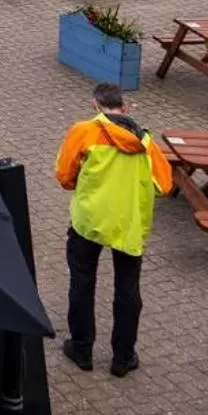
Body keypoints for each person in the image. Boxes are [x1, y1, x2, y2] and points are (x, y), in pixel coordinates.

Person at [53, 82, 171, 377]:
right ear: (125, 108)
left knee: (82, 282)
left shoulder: (83, 131)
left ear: (95, 105)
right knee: (127, 288)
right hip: (129, 223)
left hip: (89, 220)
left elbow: (64, 176)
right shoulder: (146, 143)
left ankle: (81, 349)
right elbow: (164, 185)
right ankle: (123, 357)